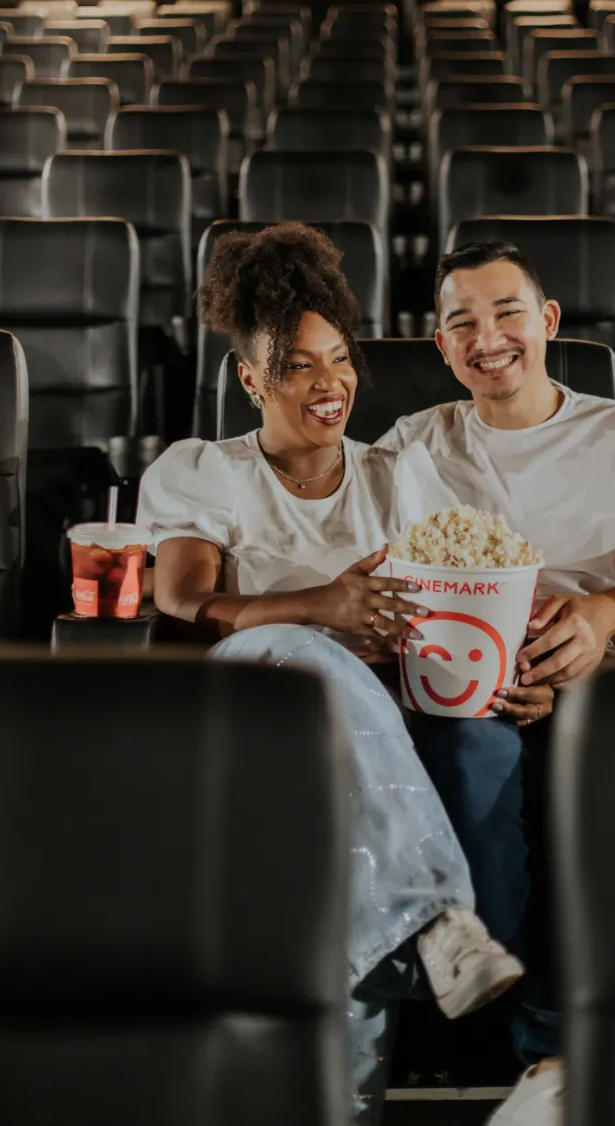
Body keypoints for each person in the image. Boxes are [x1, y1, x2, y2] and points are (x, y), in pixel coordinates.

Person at [135, 225, 548, 1122]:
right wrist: (320, 608)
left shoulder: (399, 475)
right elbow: (185, 598)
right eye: (297, 367)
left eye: (339, 360)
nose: (330, 385)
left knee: (351, 848)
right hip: (257, 689)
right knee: (312, 658)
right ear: (251, 380)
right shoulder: (205, 470)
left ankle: (355, 1094)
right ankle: (438, 920)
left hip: (382, 708)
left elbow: (451, 598)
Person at [376, 240, 615, 1124]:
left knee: (577, 758)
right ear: (442, 348)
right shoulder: (413, 443)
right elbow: (368, 562)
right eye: (462, 325)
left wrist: (610, 611)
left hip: (597, 672)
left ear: (548, 322)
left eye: (507, 313)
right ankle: (518, 1032)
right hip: (463, 685)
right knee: (467, 751)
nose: (488, 339)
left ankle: (556, 1053)